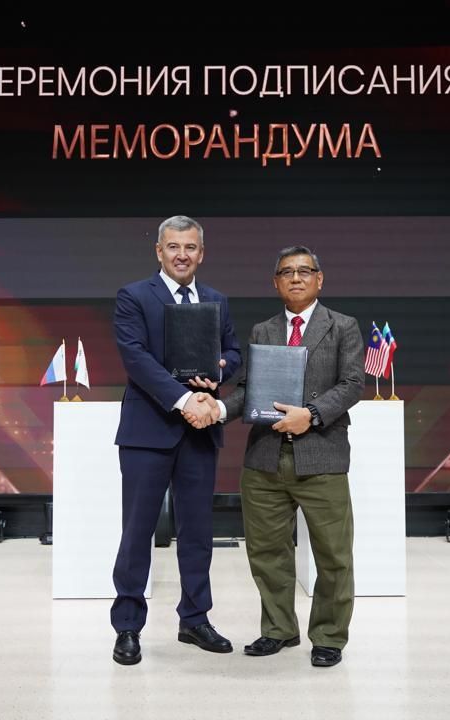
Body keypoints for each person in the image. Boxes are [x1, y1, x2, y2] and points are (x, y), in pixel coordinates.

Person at [212, 245, 363, 668]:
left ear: (319, 279)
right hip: (264, 458)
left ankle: (328, 636)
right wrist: (218, 409)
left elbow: (353, 383)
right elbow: (248, 390)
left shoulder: (343, 326)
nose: (296, 278)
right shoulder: (263, 330)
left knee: (333, 555)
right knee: (267, 553)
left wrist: (310, 415)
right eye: (286, 272)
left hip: (322, 456)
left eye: (304, 271)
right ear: (275, 282)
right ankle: (279, 629)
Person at [110, 215, 242, 666]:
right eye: (173, 246)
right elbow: (136, 358)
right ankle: (128, 627)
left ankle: (195, 619)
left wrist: (220, 368)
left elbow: (233, 352)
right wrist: (186, 400)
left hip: (200, 431)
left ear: (201, 253)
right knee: (137, 532)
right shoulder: (134, 296)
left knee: (198, 532)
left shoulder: (217, 300)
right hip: (148, 430)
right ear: (159, 251)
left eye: (190, 247)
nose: (181, 255)